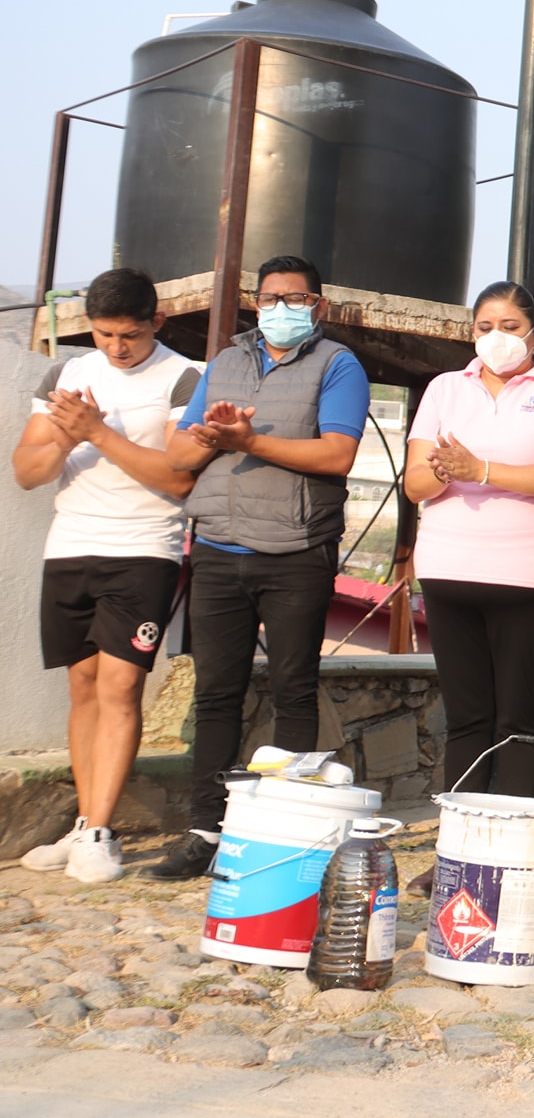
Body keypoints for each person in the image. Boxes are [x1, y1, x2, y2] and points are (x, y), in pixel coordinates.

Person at [153, 255, 370, 880]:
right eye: (271, 298)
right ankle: (205, 829)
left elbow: (337, 454)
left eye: (295, 298)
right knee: (216, 692)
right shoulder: (225, 363)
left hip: (297, 552)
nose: (281, 308)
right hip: (220, 548)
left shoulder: (338, 365)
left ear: (318, 307)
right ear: (256, 303)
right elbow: (177, 448)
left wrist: (248, 443)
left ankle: (290, 828)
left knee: (292, 688)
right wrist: (215, 432)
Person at [11, 268, 203, 883]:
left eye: (128, 335)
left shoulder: (183, 376)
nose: (116, 348)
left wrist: (96, 431)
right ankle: (81, 827)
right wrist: (69, 440)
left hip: (145, 547)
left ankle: (99, 831)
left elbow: (177, 476)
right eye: (102, 334)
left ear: (157, 322)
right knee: (83, 685)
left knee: (121, 686)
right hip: (71, 543)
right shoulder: (66, 374)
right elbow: (27, 471)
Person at [402, 281, 534, 804]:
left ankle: (512, 855)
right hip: (450, 572)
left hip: (530, 577)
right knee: (466, 717)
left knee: (518, 715)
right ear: (471, 334)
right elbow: (414, 484)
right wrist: (445, 471)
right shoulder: (445, 389)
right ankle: (459, 852)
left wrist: (481, 469)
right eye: (485, 328)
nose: (498, 338)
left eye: (510, 327)